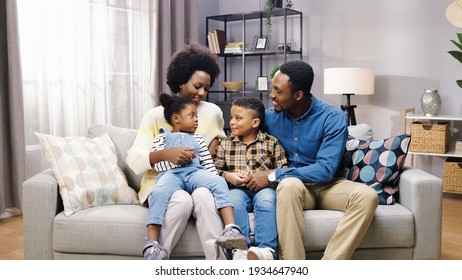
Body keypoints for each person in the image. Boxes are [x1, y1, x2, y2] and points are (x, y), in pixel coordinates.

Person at [244, 60, 379, 260]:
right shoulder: (269, 119)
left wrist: (274, 175)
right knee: (289, 185)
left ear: (298, 95)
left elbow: (325, 170)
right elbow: (241, 141)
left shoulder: (332, 117)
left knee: (368, 197)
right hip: (295, 187)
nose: (271, 95)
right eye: (273, 89)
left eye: (278, 91)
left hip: (328, 186)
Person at [126, 43, 229, 260]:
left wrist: (210, 153)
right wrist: (165, 154)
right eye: (197, 86)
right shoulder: (155, 116)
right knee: (181, 200)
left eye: (206, 88)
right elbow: (134, 159)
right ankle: (156, 261)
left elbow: (220, 141)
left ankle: (221, 265)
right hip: (163, 183)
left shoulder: (213, 113)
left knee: (203, 196)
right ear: (181, 82)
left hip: (198, 180)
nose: (202, 93)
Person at [146, 93, 247, 259]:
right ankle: (152, 244)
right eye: (192, 116)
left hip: (195, 174)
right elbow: (158, 164)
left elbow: (207, 164)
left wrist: (215, 179)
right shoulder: (162, 137)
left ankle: (231, 229)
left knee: (217, 181)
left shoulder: (198, 138)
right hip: (172, 174)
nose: (196, 120)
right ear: (176, 118)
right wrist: (173, 158)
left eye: (197, 116)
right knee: (158, 192)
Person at [213, 96, 288, 260]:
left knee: (267, 201)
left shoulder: (271, 143)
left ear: (255, 123)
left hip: (265, 189)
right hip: (237, 190)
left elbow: (283, 169)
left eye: (238, 118)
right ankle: (238, 251)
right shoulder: (226, 144)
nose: (232, 122)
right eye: (231, 117)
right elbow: (214, 171)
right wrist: (228, 176)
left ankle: (267, 251)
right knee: (233, 201)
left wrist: (268, 176)